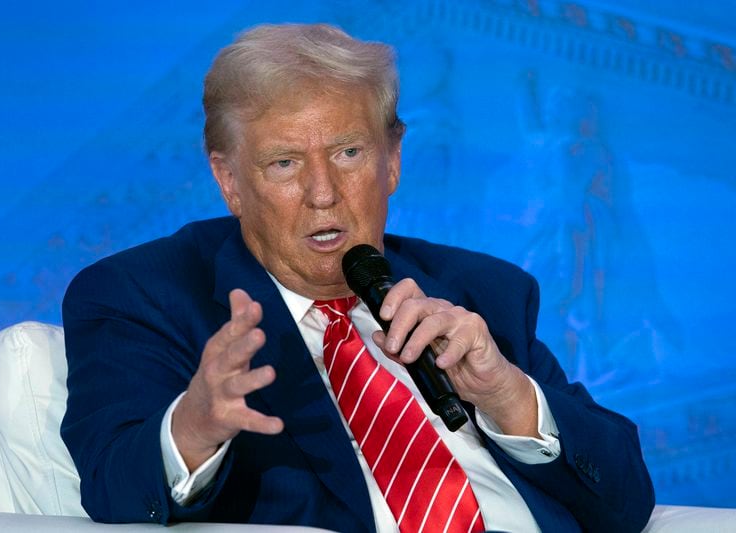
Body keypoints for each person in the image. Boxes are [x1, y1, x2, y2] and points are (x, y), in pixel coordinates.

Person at [60, 23, 654, 532]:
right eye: (284, 163)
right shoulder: (143, 295)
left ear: (392, 160)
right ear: (230, 180)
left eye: (348, 153)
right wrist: (193, 427)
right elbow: (113, 486)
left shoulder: (481, 290)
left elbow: (628, 499)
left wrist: (508, 395)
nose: (324, 195)